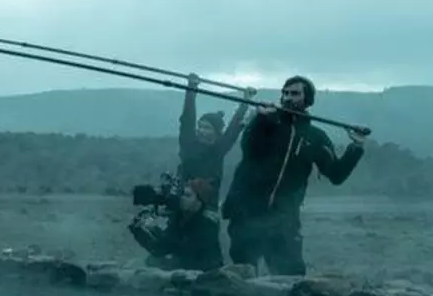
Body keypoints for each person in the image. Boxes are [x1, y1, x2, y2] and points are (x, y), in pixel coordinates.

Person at [221, 75, 366, 276]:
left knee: (291, 276)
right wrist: (261, 120)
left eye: (295, 93)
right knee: (243, 275)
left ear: (308, 100)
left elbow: (336, 174)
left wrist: (356, 146)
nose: (288, 97)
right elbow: (249, 148)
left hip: (284, 220)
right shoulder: (266, 124)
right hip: (247, 214)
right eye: (285, 93)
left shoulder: (316, 137)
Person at [178, 73, 255, 208]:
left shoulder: (218, 149)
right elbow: (188, 118)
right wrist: (191, 88)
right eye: (200, 126)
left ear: (216, 132)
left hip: (207, 206)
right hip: (183, 201)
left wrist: (246, 101)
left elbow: (233, 129)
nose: (201, 130)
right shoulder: (188, 143)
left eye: (207, 128)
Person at [129, 178, 224, 272]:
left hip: (205, 273)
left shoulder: (208, 223)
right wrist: (138, 230)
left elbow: (189, 255)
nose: (182, 198)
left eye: (187, 195)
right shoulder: (180, 217)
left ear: (199, 202)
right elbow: (160, 249)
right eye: (182, 194)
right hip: (185, 270)